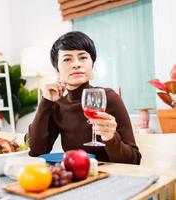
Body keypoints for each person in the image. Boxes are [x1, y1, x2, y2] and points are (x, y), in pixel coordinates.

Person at [26, 31, 141, 164]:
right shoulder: (57, 105)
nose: (76, 64)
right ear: (57, 71)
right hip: (76, 177)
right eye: (67, 59)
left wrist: (110, 138)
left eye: (83, 57)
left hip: (111, 178)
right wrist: (45, 103)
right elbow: (35, 151)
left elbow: (134, 160)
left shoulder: (107, 98)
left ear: (92, 66)